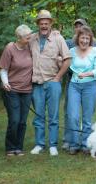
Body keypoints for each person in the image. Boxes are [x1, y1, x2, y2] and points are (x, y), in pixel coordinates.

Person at [29, 10, 71, 156]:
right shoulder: (32, 39)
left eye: (46, 23)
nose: (44, 25)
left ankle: (53, 144)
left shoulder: (58, 39)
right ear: (38, 24)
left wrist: (58, 77)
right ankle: (39, 144)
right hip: (36, 83)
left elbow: (67, 59)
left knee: (53, 115)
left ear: (51, 23)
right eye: (41, 23)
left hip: (53, 82)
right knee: (39, 115)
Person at [62, 19, 96, 151]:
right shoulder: (71, 51)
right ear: (77, 38)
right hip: (74, 86)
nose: (84, 41)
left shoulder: (95, 51)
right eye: (82, 38)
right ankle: (73, 144)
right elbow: (66, 64)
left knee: (87, 118)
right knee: (73, 116)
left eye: (87, 38)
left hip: (90, 86)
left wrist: (87, 74)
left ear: (90, 39)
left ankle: (85, 144)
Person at [0, 25, 33, 156]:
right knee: (14, 119)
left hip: (27, 90)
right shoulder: (10, 48)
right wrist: (5, 82)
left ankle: (18, 147)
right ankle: (10, 147)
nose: (30, 38)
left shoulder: (30, 47)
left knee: (23, 121)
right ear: (19, 38)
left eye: (30, 35)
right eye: (27, 37)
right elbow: (3, 69)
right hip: (11, 89)